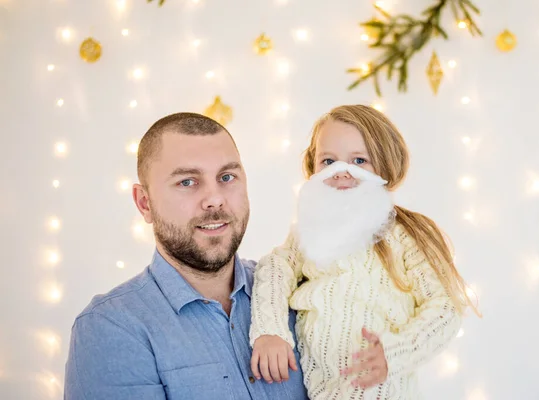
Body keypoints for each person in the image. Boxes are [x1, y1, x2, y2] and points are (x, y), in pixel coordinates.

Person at [64, 113, 307, 400]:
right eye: (188, 182)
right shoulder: (112, 327)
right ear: (145, 203)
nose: (214, 199)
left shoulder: (297, 293)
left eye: (226, 177)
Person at [249, 105, 479, 399]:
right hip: (318, 389)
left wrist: (394, 353)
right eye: (328, 160)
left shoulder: (403, 234)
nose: (341, 171)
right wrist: (270, 331)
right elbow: (274, 270)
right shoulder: (307, 232)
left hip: (380, 387)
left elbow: (445, 308)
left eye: (359, 160)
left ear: (384, 166)